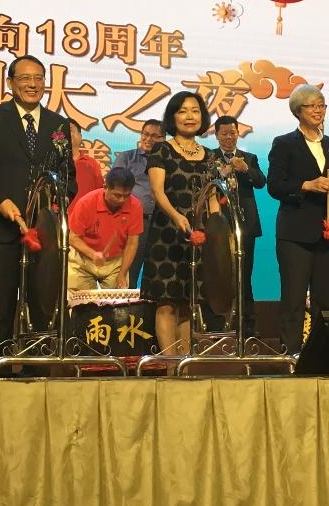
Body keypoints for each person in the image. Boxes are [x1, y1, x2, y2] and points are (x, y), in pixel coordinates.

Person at [0, 54, 75, 357]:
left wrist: (57, 201)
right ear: (11, 83)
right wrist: (1, 201)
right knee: (0, 309)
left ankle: (35, 370)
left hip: (42, 234)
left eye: (38, 78)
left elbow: (68, 177)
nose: (32, 84)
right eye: (25, 78)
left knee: (41, 306)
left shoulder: (58, 124)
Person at [267, 84, 329, 355]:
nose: (318, 110)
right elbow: (275, 185)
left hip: (327, 231)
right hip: (295, 233)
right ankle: (290, 354)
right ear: (297, 111)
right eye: (312, 106)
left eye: (322, 105)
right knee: (294, 297)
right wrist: (307, 185)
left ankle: (321, 354)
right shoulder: (284, 143)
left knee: (326, 299)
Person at [141, 91, 214, 355]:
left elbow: (213, 197)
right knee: (167, 301)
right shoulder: (162, 150)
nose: (189, 116)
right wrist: (177, 217)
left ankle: (185, 365)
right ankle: (170, 364)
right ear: (173, 117)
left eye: (195, 110)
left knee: (187, 301)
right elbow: (157, 192)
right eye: (183, 111)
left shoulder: (210, 155)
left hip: (198, 235)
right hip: (167, 234)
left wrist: (214, 227)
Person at [212, 114, 266, 339]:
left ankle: (247, 328)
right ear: (216, 135)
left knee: (245, 276)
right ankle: (217, 325)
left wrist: (245, 169)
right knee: (219, 274)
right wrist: (220, 173)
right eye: (224, 134)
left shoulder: (249, 157)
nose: (228, 137)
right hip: (218, 225)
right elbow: (205, 183)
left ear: (238, 133)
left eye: (232, 133)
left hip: (245, 225)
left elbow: (262, 182)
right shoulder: (209, 157)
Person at [66, 167, 143, 291]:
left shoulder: (135, 206)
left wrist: (123, 273)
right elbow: (73, 238)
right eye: (117, 195)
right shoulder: (86, 203)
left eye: (126, 195)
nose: (122, 200)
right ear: (105, 187)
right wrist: (93, 254)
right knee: (79, 304)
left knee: (117, 305)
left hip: (115, 262)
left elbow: (132, 244)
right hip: (83, 259)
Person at [110, 120, 165, 288]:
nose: (148, 139)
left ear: (164, 139)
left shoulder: (168, 162)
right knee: (129, 272)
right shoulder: (127, 157)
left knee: (158, 272)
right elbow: (114, 188)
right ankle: (127, 311)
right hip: (133, 223)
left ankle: (152, 312)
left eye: (155, 136)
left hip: (161, 224)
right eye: (145, 134)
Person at [69, 119, 105, 200]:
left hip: (85, 212)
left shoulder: (91, 163)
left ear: (80, 136)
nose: (66, 133)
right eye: (62, 130)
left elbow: (100, 192)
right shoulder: (52, 162)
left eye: (70, 130)